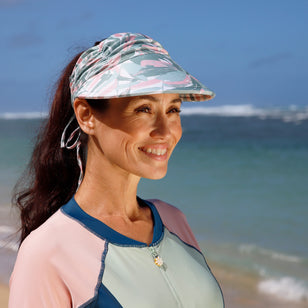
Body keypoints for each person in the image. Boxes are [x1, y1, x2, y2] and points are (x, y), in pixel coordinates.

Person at [9, 32, 224, 307]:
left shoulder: (173, 220)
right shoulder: (46, 252)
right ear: (86, 115)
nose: (165, 131)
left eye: (173, 110)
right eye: (144, 109)